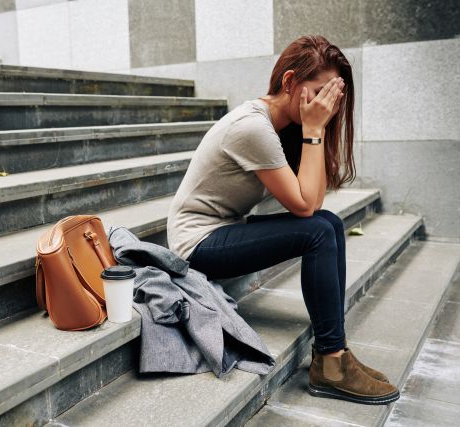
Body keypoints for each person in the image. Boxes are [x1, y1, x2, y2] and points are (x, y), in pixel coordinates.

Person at [166, 35, 400, 405]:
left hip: (226, 229)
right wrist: (314, 130)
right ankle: (331, 360)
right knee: (319, 230)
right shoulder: (252, 127)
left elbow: (313, 201)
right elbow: (305, 208)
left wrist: (314, 131)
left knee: (330, 224)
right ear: (290, 81)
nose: (327, 104)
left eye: (332, 96)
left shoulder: (281, 127)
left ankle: (333, 354)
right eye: (319, 92)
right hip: (197, 243)